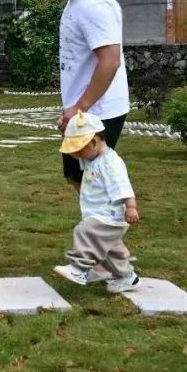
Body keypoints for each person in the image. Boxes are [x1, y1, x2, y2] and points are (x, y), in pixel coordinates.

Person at [29, 0, 130, 191]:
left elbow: (110, 61)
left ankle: (118, 215)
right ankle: (107, 216)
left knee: (95, 183)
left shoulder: (94, 3)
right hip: (85, 110)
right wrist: (73, 109)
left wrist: (79, 108)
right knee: (78, 178)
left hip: (99, 112)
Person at [52, 112, 141, 293]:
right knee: (109, 251)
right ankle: (127, 277)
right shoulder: (93, 157)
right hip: (100, 215)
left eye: (79, 151)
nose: (77, 156)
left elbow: (122, 185)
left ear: (93, 142)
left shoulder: (110, 163)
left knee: (84, 232)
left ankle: (79, 269)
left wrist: (131, 206)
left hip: (109, 217)